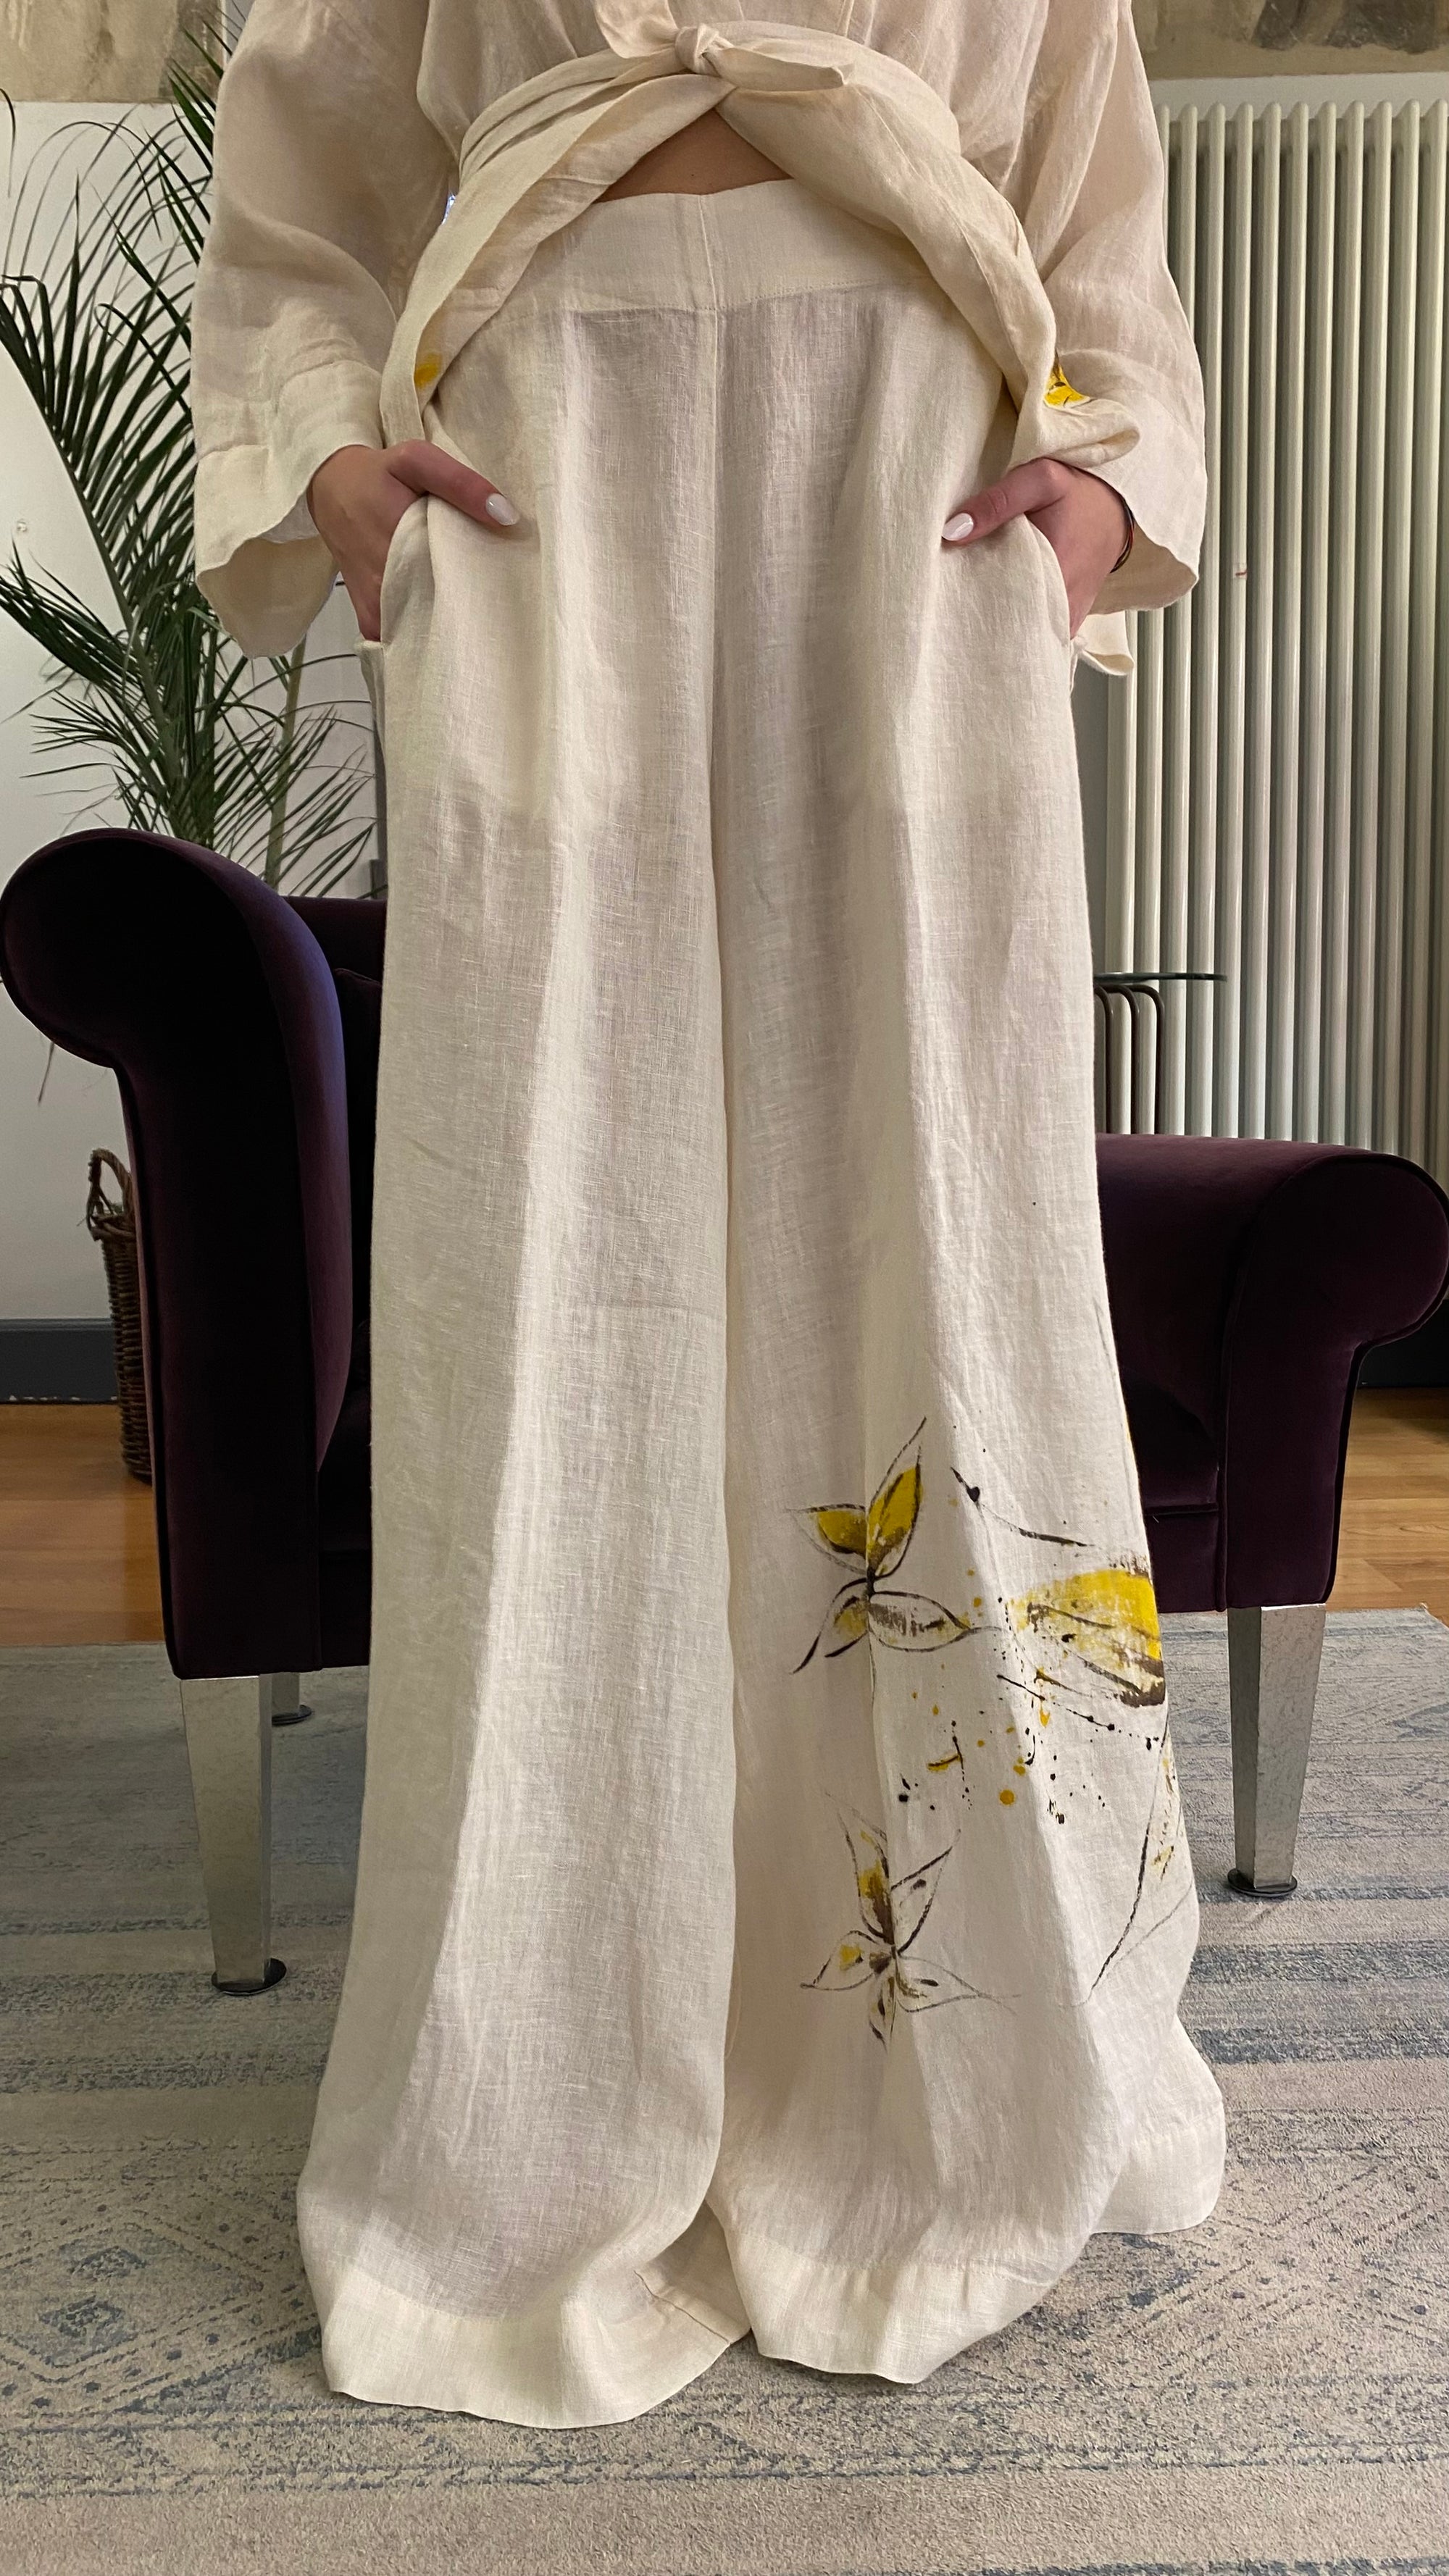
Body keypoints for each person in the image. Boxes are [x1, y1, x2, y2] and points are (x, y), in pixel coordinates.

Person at [191, 0, 1225, 2432]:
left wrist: (1095, 497)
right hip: (540, 482)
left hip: (917, 487)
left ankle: (953, 2054)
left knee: (936, 1228)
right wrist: (336, 463)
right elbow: (300, 179)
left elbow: (1094, 204)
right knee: (553, 1257)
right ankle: (549, 2067)